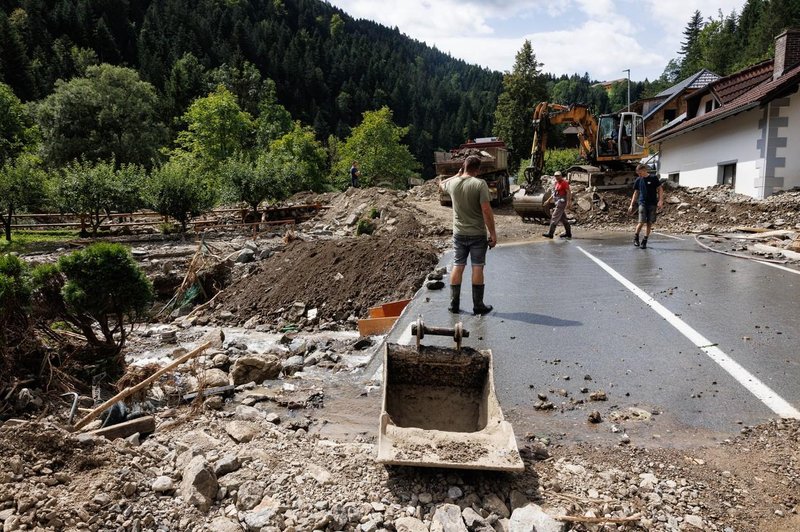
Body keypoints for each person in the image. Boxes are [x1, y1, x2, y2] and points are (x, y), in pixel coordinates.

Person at [439, 155, 497, 315]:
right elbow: (486, 210)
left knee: (458, 265)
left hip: (459, 233)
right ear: (477, 170)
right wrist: (492, 233)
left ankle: (453, 305)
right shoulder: (480, 184)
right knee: (477, 267)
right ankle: (478, 306)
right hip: (477, 233)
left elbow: (440, 184)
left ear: (463, 167)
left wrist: (457, 175)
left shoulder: (452, 183)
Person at [628, 163, 664, 249]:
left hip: (652, 204)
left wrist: (660, 200)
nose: (639, 175)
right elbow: (636, 192)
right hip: (642, 203)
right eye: (638, 174)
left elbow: (660, 189)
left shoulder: (653, 178)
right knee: (641, 222)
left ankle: (645, 240)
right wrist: (631, 205)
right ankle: (636, 238)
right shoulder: (638, 180)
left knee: (649, 223)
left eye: (640, 173)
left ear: (645, 170)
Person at [542, 171, 572, 239]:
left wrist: (569, 202)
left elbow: (568, 192)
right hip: (557, 201)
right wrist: (548, 200)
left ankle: (550, 233)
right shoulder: (556, 183)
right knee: (563, 218)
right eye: (555, 176)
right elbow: (554, 194)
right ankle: (568, 233)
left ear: (561, 176)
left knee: (554, 217)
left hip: (561, 202)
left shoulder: (564, 183)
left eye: (558, 176)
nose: (557, 177)